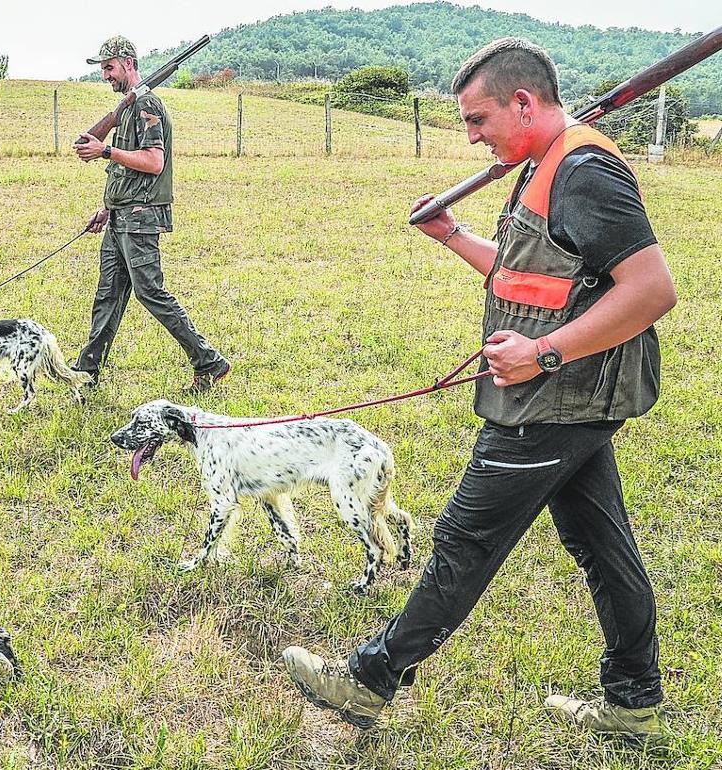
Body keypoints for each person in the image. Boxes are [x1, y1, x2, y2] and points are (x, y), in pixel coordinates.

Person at [283, 37, 677, 742]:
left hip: (557, 399)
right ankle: (634, 704)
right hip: (570, 396)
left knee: (465, 540)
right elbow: (535, 274)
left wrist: (544, 354)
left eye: (478, 119)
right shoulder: (540, 163)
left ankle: (369, 680)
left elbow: (651, 291)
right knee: (604, 547)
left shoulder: (584, 170)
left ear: (523, 102)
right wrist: (453, 234)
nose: (470, 136)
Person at [73, 36, 230, 394]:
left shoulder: (148, 106)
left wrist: (106, 150)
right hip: (120, 216)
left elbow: (153, 162)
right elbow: (128, 172)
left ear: (128, 64)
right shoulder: (127, 110)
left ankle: (208, 361)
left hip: (141, 219)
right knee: (108, 296)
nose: (105, 75)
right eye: (102, 69)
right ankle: (87, 371)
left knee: (151, 293)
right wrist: (107, 209)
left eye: (109, 68)